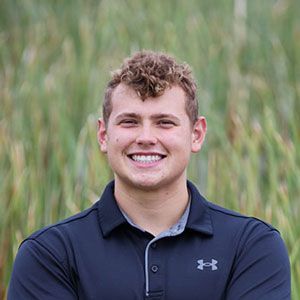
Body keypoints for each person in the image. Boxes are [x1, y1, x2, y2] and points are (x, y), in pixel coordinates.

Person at [8, 51, 290, 300]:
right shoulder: (49, 255)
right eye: (129, 122)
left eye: (164, 123)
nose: (145, 137)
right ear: (104, 135)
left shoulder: (252, 247)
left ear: (197, 134)